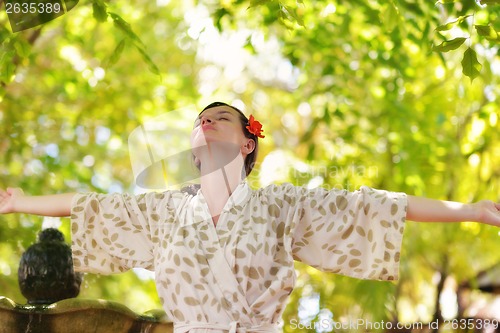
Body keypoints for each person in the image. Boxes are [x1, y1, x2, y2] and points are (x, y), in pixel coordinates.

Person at [1, 101, 499, 333]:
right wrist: (20, 200)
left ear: (246, 141)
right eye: (201, 119)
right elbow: (88, 205)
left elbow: (377, 206)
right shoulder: (164, 210)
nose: (206, 120)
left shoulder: (281, 205)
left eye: (220, 116)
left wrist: (473, 211)